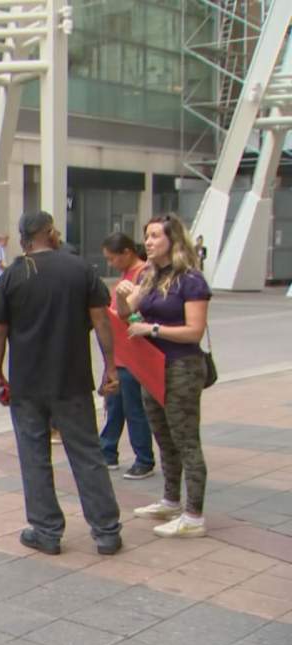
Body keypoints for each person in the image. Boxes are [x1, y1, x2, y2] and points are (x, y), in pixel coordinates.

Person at [0, 211, 123, 556]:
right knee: (87, 453)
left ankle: (46, 531)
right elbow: (101, 321)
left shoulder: (13, 274)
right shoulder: (79, 269)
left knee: (34, 456)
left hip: (27, 383)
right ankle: (106, 531)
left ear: (25, 238)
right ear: (49, 232)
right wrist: (110, 366)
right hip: (72, 378)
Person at [116, 214, 212, 538]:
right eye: (147, 235)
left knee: (186, 440)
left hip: (181, 367)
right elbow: (125, 312)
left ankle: (194, 515)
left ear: (173, 240)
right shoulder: (151, 276)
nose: (149, 241)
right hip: (152, 366)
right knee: (164, 437)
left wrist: (152, 328)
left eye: (156, 235)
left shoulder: (191, 280)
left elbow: (194, 332)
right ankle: (171, 500)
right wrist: (121, 293)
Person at [99, 233, 155, 479]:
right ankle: (107, 451)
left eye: (113, 258)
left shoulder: (145, 274)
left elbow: (137, 312)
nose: (111, 264)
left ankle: (144, 458)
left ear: (127, 252)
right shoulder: (126, 276)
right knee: (115, 404)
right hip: (120, 352)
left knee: (133, 407)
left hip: (134, 351)